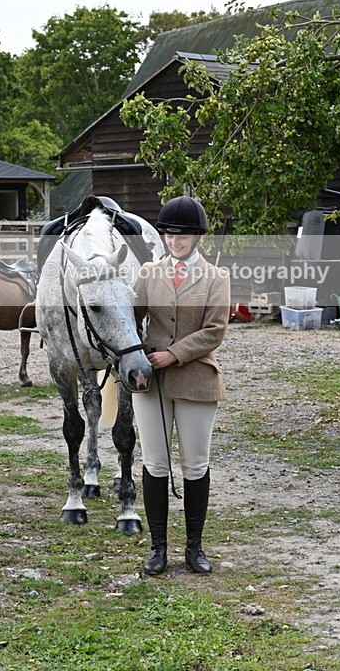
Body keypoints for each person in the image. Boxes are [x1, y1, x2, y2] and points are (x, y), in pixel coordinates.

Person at [132, 196, 231, 576]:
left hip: (196, 376)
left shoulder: (216, 278)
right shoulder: (147, 273)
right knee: (155, 463)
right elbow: (131, 319)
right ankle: (158, 548)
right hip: (150, 381)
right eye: (170, 234)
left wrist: (174, 354)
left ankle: (194, 548)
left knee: (195, 463)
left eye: (183, 235)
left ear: (196, 237)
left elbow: (215, 331)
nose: (175, 241)